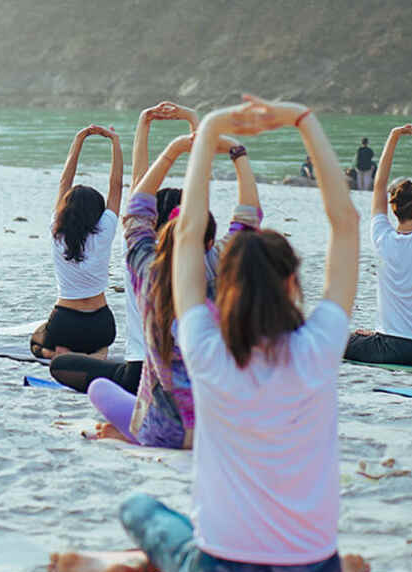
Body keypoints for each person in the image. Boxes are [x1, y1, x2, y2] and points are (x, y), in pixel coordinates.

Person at [51, 96, 360, 572]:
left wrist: (210, 126)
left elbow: (188, 234)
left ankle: (144, 562)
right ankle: (161, 561)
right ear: (292, 282)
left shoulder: (206, 350)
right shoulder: (322, 347)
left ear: (229, 282)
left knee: (140, 508)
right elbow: (343, 223)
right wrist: (303, 119)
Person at [85, 121, 262, 448]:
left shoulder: (148, 277)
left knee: (99, 387)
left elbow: (136, 212)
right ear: (210, 243)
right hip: (218, 429)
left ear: (162, 236)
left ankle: (127, 431)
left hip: (161, 429)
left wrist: (175, 149)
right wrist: (238, 153)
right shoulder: (224, 275)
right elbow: (248, 219)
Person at [51, 102, 194, 393]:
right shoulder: (200, 257)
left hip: (142, 374)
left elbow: (132, 184)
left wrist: (144, 123)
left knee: (60, 365)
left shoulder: (138, 254)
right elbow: (198, 185)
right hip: (192, 374)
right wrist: (193, 122)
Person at [344, 123, 412, 365]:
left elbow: (379, 184)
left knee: (339, 337)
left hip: (392, 347)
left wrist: (394, 136)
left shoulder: (382, 237)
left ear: (393, 210)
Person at [30, 124, 123, 359]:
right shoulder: (105, 230)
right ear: (97, 212)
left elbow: (65, 181)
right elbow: (116, 185)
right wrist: (115, 142)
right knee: (102, 347)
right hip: (101, 323)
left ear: (64, 210)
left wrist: (79, 137)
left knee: (36, 341)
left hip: (65, 322)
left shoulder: (57, 231)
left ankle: (57, 352)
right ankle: (94, 355)